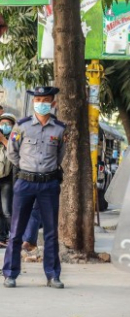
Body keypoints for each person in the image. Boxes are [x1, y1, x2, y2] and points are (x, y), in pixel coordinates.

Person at [2, 86, 66, 289]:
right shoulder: (21, 127)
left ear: (53, 103)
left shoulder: (60, 129)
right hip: (25, 182)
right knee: (16, 231)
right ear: (33, 102)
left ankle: (53, 275)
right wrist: (26, 169)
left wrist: (47, 172)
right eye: (38, 100)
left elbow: (60, 155)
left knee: (51, 233)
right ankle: (10, 273)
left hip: (49, 184)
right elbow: (12, 153)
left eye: (46, 100)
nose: (41, 103)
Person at [0, 113, 16, 248]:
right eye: (2, 123)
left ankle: (14, 236)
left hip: (7, 179)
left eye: (8, 124)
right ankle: (2, 237)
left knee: (6, 210)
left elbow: (16, 155)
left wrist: (4, 141)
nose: (4, 126)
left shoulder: (14, 139)